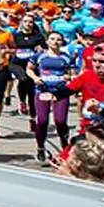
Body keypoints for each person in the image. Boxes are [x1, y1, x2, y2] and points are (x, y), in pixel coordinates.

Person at [29, 30, 77, 164]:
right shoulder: (39, 56)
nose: (55, 42)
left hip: (60, 92)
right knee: (42, 121)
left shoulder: (66, 57)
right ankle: (40, 148)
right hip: (42, 91)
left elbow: (72, 74)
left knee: (60, 121)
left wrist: (70, 77)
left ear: (62, 42)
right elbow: (29, 69)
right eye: (53, 39)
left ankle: (64, 145)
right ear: (47, 41)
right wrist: (35, 78)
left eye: (58, 39)